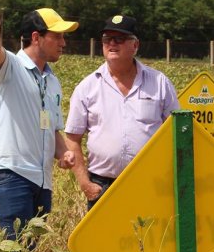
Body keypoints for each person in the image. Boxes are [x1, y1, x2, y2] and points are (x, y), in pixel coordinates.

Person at [0, 7, 77, 252]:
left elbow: (53, 129)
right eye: (57, 35)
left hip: (41, 180)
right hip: (11, 174)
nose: (63, 42)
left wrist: (63, 153)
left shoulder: (53, 82)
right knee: (12, 249)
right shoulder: (10, 68)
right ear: (36, 37)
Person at [64, 14, 178, 209]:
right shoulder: (87, 87)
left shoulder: (159, 83)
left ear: (135, 45)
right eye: (107, 39)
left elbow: (176, 130)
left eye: (120, 39)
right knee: (103, 240)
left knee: (148, 239)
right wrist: (85, 184)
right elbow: (72, 138)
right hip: (102, 184)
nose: (112, 44)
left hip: (150, 183)